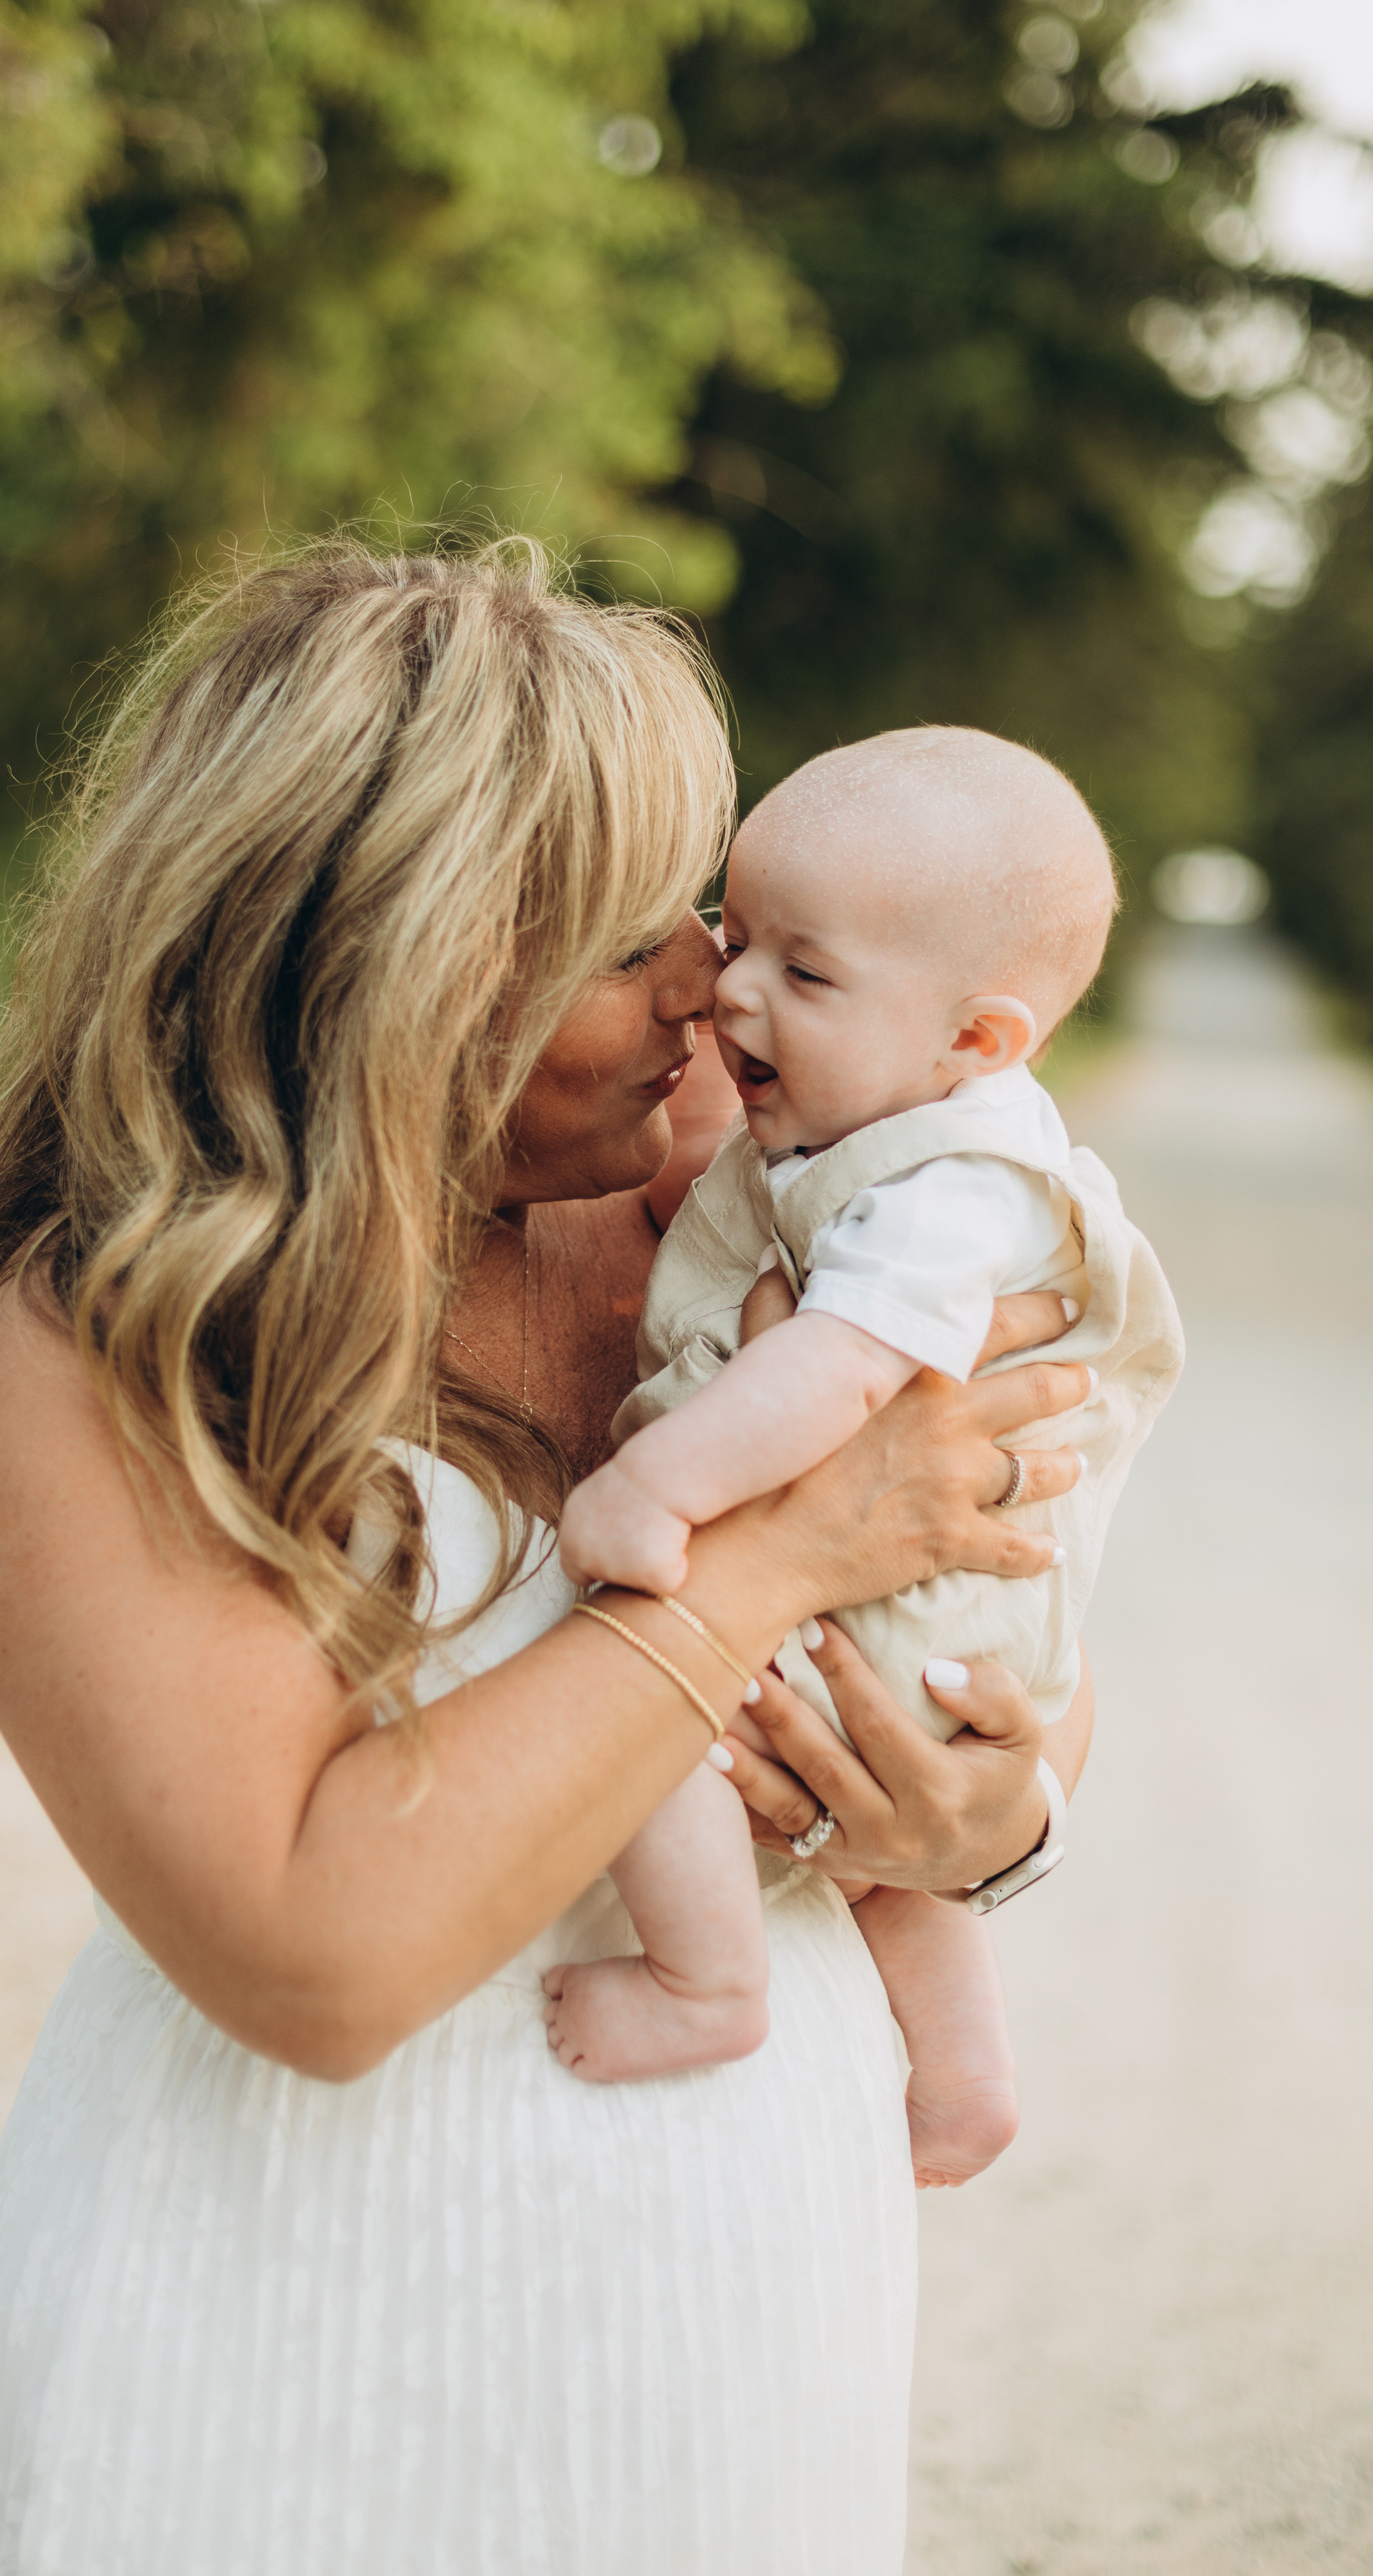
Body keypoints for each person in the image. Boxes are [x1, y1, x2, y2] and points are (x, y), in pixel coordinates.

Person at [0, 542, 1092, 2576]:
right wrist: (765, 1561)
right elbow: (315, 1961)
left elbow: (1004, 1630)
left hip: (737, 2312)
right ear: (406, 965)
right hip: (277, 2319)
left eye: (704, 915)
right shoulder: (107, 1342)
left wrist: (991, 1819)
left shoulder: (747, 1222)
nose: (706, 986)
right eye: (635, 942)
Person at [551, 730, 1183, 2186]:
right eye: (737, 934)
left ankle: (706, 1983)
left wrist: (654, 1485)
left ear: (977, 1041)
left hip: (890, 1609)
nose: (728, 989)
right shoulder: (876, 1125)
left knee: (652, 1718)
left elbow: (834, 1368)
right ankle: (965, 2080)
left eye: (805, 972)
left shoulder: (948, 1189)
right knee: (885, 1874)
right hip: (936, 1634)